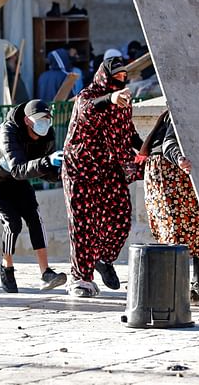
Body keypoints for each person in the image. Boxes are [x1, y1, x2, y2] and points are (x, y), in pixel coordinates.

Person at [62, 56, 143, 297]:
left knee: (121, 217)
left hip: (111, 168)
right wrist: (110, 99)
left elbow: (129, 134)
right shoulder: (88, 96)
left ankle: (104, 259)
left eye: (123, 76)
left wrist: (149, 148)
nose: (120, 79)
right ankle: (80, 278)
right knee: (84, 225)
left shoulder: (124, 102)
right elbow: (87, 109)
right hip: (82, 169)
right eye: (115, 76)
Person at [0, 99, 67, 293]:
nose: (45, 122)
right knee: (12, 223)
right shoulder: (8, 131)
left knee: (34, 216)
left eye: (48, 118)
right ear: (27, 121)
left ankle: (46, 272)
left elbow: (44, 171)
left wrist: (63, 172)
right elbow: (18, 169)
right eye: (40, 119)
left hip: (17, 177)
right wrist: (47, 161)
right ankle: (6, 267)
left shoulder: (47, 135)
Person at [139, 111, 199, 306]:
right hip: (167, 170)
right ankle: (170, 289)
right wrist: (179, 159)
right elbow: (169, 143)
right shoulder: (181, 108)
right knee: (173, 231)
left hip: (185, 171)